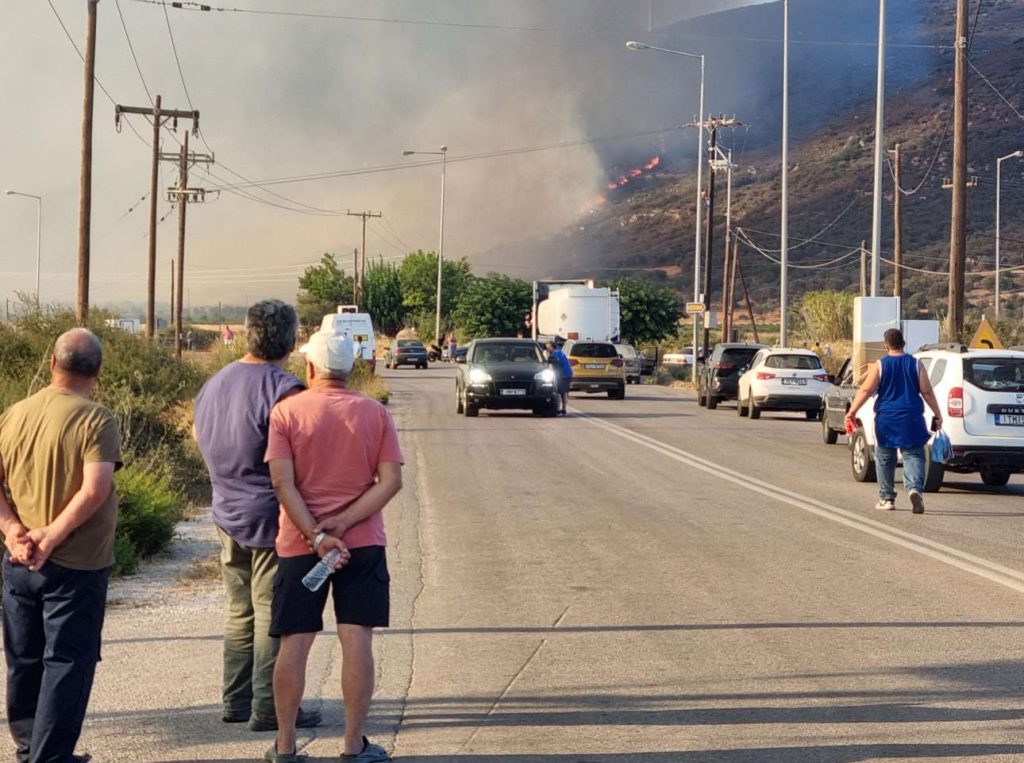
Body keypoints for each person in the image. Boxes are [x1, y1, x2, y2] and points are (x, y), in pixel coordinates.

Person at [265, 330, 403, 763]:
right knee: (356, 637)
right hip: (361, 544)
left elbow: (281, 482)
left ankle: (284, 745)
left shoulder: (285, 413)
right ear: (354, 368)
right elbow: (391, 481)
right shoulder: (374, 413)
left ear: (309, 368)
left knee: (296, 640)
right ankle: (352, 744)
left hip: (299, 545)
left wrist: (317, 535)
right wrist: (344, 522)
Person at [194, 300, 322, 732]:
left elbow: (201, 438)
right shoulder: (284, 390)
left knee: (238, 609)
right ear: (290, 339)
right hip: (272, 517)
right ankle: (270, 707)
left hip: (226, 511)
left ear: (248, 334)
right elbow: (303, 462)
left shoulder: (214, 382)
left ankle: (236, 700)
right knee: (272, 612)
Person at [0, 328, 121, 763]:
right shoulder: (97, 419)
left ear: (53, 363)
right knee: (68, 662)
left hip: (18, 559)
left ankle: (31, 746)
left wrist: (13, 529)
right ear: (98, 370)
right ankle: (50, 757)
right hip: (77, 562)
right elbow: (95, 489)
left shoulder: (14, 414)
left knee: (25, 658)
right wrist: (51, 535)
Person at [845, 328, 943, 513]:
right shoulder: (916, 364)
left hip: (887, 418)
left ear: (886, 345)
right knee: (913, 454)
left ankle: (887, 497)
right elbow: (927, 391)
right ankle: (914, 489)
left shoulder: (880, 365)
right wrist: (937, 413)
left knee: (884, 456)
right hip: (912, 417)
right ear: (904, 343)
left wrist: (852, 411)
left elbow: (866, 390)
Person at [546, 340, 573, 416]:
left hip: (564, 375)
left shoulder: (555, 354)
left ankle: (563, 410)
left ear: (552, 346)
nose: (547, 349)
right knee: (563, 392)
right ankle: (562, 409)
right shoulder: (559, 351)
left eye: (548, 347)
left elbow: (550, 362)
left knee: (562, 392)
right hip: (566, 373)